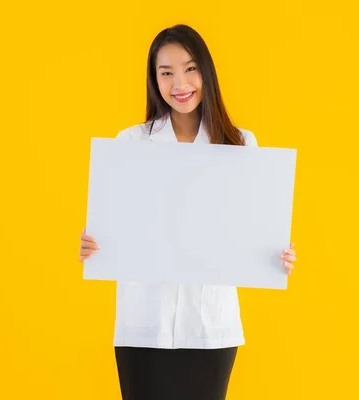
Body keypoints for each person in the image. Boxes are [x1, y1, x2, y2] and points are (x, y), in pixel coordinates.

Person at [79, 24, 297, 400]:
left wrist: (275, 254)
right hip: (143, 325)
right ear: (155, 80)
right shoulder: (131, 144)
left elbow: (248, 229)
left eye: (190, 68)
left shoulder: (241, 145)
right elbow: (118, 225)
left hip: (210, 326)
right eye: (166, 73)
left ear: (206, 72)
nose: (180, 83)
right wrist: (96, 244)